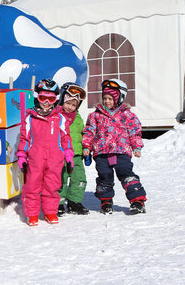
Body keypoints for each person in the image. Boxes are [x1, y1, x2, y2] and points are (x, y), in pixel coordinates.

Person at [82, 79, 147, 215]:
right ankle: (106, 201)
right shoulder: (95, 115)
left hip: (121, 152)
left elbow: (135, 131)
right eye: (104, 98)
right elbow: (89, 131)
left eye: (110, 98)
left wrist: (137, 147)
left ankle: (137, 200)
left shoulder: (127, 115)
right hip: (101, 152)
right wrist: (86, 146)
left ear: (119, 99)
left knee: (126, 173)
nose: (106, 101)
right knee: (104, 176)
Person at [17, 79, 74, 226]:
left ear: (56, 99)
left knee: (52, 185)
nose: (47, 102)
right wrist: (22, 156)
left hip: (55, 159)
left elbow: (66, 137)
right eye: (43, 98)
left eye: (51, 99)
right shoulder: (30, 118)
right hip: (36, 159)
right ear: (37, 97)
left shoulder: (60, 118)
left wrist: (68, 154)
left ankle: (50, 212)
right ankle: (32, 214)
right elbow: (25, 138)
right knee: (32, 186)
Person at [56, 83, 90, 216]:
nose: (70, 107)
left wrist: (86, 149)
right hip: (60, 155)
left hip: (76, 155)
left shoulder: (78, 117)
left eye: (74, 105)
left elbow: (83, 133)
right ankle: (58, 203)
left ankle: (74, 202)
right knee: (60, 180)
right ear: (61, 100)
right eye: (68, 103)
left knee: (79, 179)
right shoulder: (56, 116)